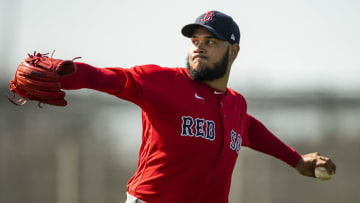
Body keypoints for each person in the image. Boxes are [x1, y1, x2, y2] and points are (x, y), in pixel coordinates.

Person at [57, 11, 336, 203]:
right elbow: (116, 79)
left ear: (233, 51)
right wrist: (64, 72)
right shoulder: (164, 82)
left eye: (211, 42)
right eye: (195, 41)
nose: (199, 48)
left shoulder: (235, 104)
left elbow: (249, 128)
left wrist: (296, 160)